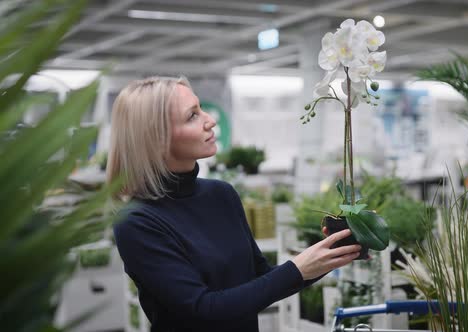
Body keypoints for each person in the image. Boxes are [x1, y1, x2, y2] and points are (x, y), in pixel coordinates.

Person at [107, 76, 362, 332]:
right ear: (157, 138)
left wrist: (328, 254)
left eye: (200, 109)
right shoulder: (137, 222)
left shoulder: (221, 194)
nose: (211, 120)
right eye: (192, 116)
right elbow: (203, 309)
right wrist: (296, 269)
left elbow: (260, 278)